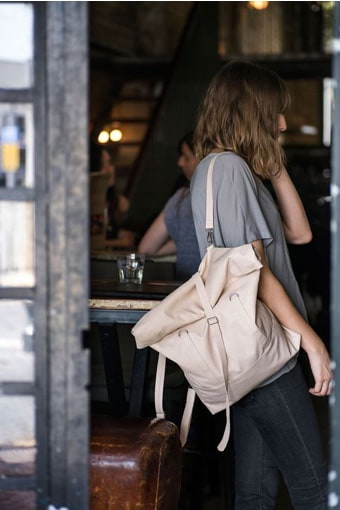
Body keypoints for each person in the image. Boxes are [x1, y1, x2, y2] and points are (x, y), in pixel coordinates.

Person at [190, 61, 332, 509]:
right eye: (276, 113)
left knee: (255, 490)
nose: (284, 123)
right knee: (312, 486)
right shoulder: (229, 170)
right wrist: (311, 342)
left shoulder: (231, 170)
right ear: (252, 112)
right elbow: (254, 269)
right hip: (267, 349)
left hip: (250, 349)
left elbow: (301, 233)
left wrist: (273, 164)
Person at [138, 133, 201, 280]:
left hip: (185, 290)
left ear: (201, 159)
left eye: (186, 157)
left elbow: (147, 248)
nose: (180, 162)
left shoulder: (181, 198)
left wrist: (183, 241)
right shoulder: (228, 192)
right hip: (222, 292)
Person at [90, 144, 135, 248]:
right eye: (105, 164)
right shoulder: (87, 202)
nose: (111, 169)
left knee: (137, 262)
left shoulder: (114, 200)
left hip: (108, 259)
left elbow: (114, 233)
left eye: (110, 163)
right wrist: (116, 242)